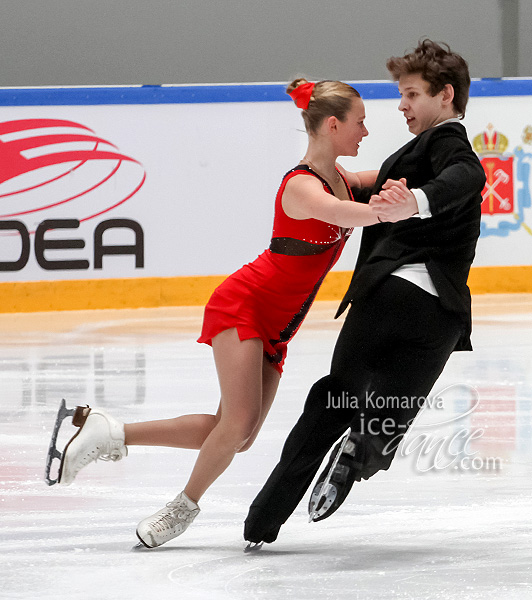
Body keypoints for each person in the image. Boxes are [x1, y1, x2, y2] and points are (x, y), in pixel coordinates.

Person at [47, 78, 414, 549]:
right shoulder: (302, 186)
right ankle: (180, 509)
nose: (365, 131)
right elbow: (348, 214)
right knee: (238, 424)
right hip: (246, 304)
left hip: (278, 326)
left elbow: (380, 178)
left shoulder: (342, 179)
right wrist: (392, 211)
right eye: (359, 123)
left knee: (237, 435)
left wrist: (423, 183)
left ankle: (109, 432)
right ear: (332, 124)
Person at [244, 39, 487, 548]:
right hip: (439, 315)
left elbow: (469, 174)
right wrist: (316, 143)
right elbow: (355, 182)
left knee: (334, 401)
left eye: (411, 95)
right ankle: (361, 451)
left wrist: (413, 203)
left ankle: (265, 517)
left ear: (446, 96)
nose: (401, 106)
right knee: (391, 413)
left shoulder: (446, 144)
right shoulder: (414, 154)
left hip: (391, 296)